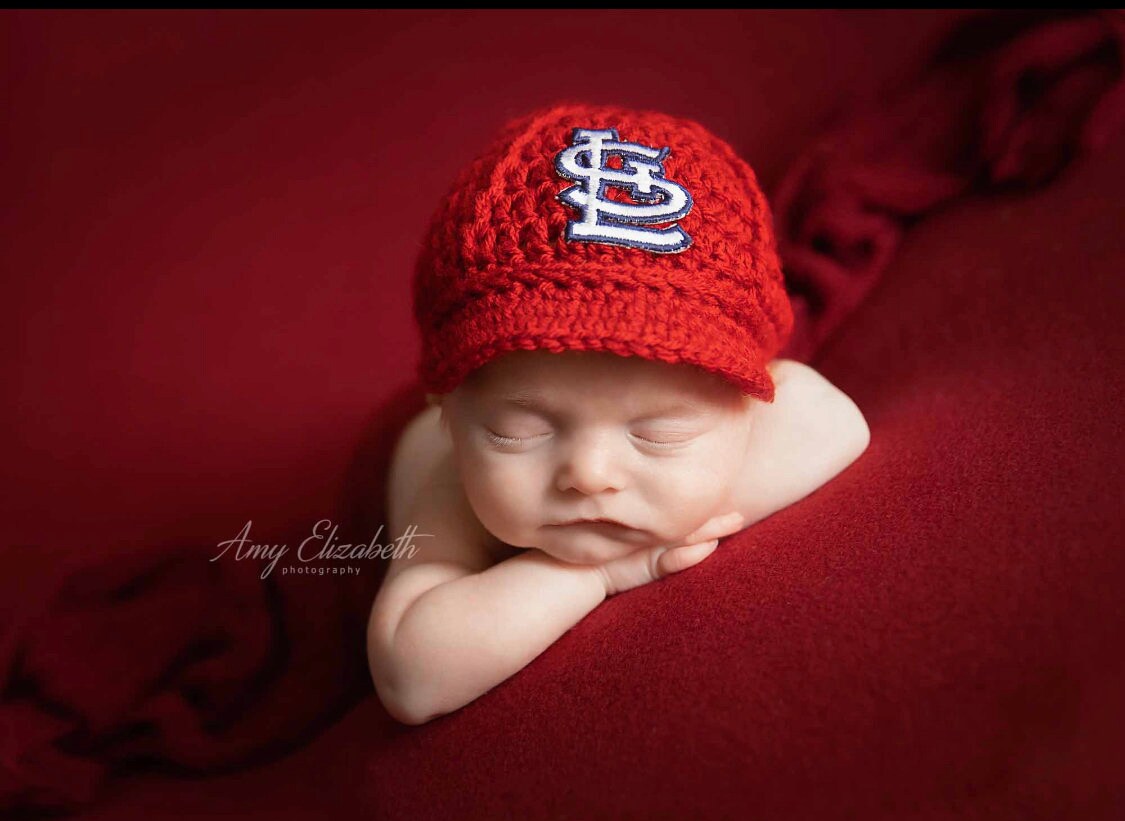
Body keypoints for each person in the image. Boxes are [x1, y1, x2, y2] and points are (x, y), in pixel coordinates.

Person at [366, 103, 871, 725]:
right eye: (518, 431)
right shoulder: (449, 475)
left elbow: (833, 420)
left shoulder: (758, 402)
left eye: (659, 432)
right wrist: (603, 574)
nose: (591, 473)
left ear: (753, 400)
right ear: (448, 409)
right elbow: (409, 674)